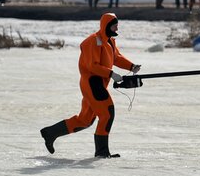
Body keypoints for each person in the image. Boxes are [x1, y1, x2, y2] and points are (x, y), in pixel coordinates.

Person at [40, 13, 141, 158]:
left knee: (85, 120)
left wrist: (132, 66)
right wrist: (111, 74)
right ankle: (102, 152)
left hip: (99, 84)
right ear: (106, 25)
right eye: (114, 25)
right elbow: (92, 66)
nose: (117, 27)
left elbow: (116, 58)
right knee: (107, 113)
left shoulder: (110, 42)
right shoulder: (93, 41)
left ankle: (50, 133)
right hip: (92, 84)